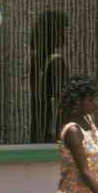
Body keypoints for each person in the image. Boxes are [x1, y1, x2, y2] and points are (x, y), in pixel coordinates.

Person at [29, 11, 69, 144]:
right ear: (53, 33)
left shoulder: (34, 60)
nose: (64, 36)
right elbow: (61, 100)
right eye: (61, 31)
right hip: (51, 128)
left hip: (38, 124)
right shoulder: (56, 61)